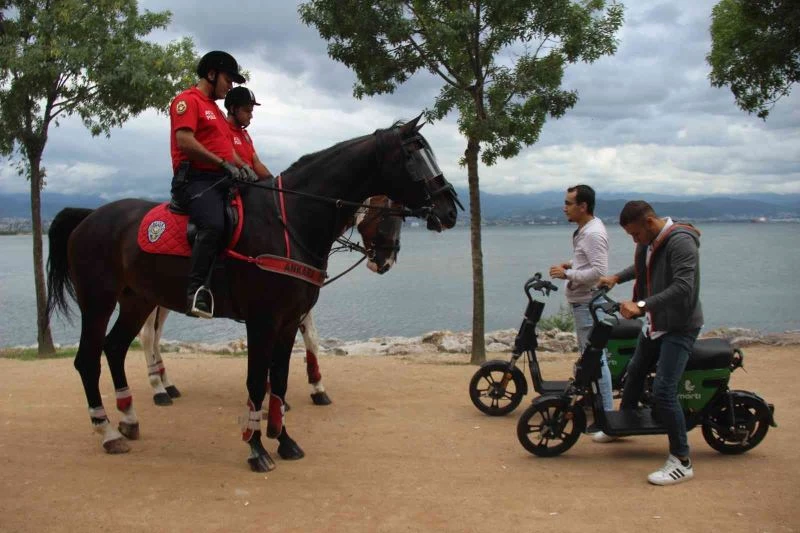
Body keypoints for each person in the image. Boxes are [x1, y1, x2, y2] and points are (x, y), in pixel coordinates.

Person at [598, 200, 703, 486]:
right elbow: (642, 267)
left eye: (635, 235)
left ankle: (682, 460)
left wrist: (641, 305)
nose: (635, 240)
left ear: (649, 222)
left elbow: (684, 287)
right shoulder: (651, 241)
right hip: (656, 324)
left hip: (680, 326)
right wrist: (616, 278)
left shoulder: (681, 242)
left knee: (664, 391)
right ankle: (620, 427)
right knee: (633, 372)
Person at [169, 50, 258, 319]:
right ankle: (196, 291)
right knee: (214, 224)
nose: (230, 85)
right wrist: (222, 164)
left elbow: (225, 150)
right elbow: (185, 141)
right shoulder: (187, 101)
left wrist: (243, 167)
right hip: (195, 180)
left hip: (220, 179)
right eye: (228, 79)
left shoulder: (216, 112)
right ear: (211, 74)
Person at [548, 185, 615, 442]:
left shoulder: (593, 234)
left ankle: (607, 417)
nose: (564, 207)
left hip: (587, 305)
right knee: (592, 360)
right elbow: (587, 263)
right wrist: (572, 264)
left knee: (596, 361)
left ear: (583, 206)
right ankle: (600, 410)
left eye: (568, 203)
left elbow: (599, 272)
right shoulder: (585, 231)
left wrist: (568, 273)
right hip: (582, 304)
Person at [223, 86, 273, 180]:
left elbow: (256, 163)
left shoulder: (245, 134)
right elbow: (229, 154)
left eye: (251, 111)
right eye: (247, 111)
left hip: (250, 185)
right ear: (233, 109)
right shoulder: (222, 128)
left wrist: (272, 181)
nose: (251, 116)